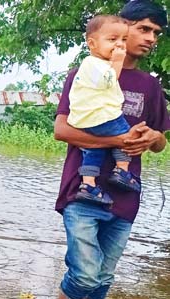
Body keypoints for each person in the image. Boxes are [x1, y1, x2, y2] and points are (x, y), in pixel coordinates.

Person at [49, 0, 169, 299]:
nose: (151, 39)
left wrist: (151, 138)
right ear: (123, 28)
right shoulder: (85, 72)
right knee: (84, 273)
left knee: (102, 278)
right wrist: (114, 140)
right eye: (145, 30)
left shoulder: (150, 86)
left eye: (157, 34)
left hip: (125, 194)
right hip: (83, 190)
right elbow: (62, 130)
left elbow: (161, 140)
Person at [68, 15, 140, 206]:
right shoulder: (94, 64)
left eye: (123, 40)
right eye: (112, 40)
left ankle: (88, 185)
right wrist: (118, 61)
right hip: (102, 116)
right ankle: (122, 170)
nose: (119, 45)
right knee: (127, 136)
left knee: (94, 149)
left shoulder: (94, 65)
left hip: (86, 120)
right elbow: (109, 80)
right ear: (92, 44)